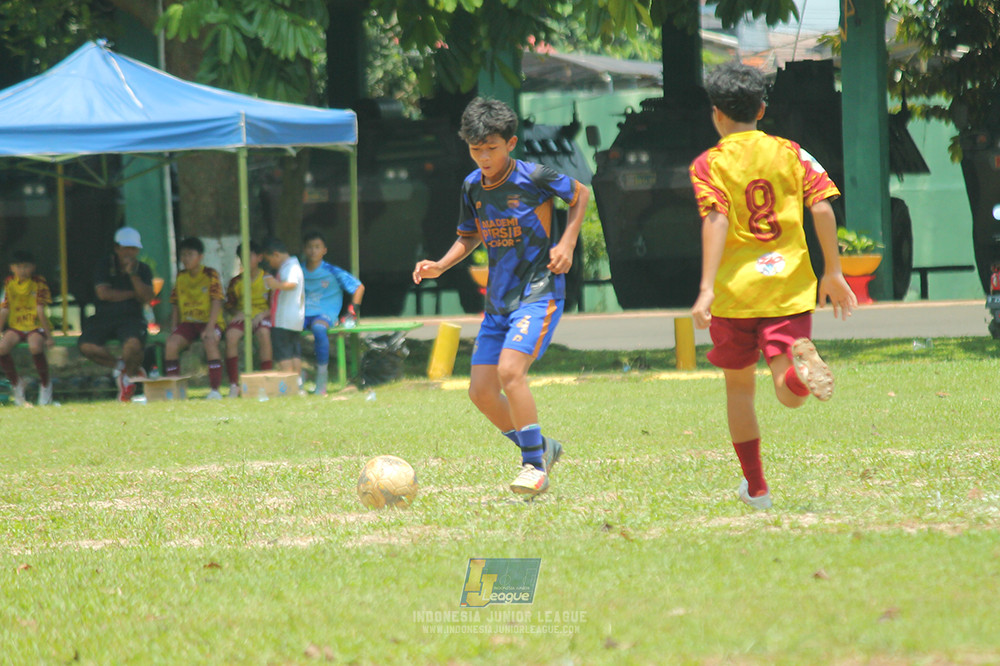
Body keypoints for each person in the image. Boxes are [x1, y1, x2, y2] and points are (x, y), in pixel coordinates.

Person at [688, 61, 857, 510]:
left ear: (716, 114)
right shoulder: (792, 153)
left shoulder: (708, 164)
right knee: (787, 391)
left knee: (739, 390)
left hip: (735, 294)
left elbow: (716, 219)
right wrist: (833, 271)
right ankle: (799, 376)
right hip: (788, 288)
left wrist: (706, 289)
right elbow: (822, 207)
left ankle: (757, 488)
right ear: (761, 109)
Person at [412, 97, 589, 497]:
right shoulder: (472, 186)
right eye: (476, 150)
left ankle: (534, 466)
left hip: (539, 292)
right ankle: (542, 447)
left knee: (511, 373)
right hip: (498, 302)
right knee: (481, 392)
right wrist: (441, 265)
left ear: (510, 143)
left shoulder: (534, 176)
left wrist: (567, 243)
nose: (484, 157)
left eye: (492, 148)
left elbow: (580, 193)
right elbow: (470, 234)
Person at [78, 226, 155, 402]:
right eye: (125, 248)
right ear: (116, 248)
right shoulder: (104, 265)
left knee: (133, 345)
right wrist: (133, 294)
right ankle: (123, 368)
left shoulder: (143, 269)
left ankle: (127, 380)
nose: (129, 252)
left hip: (132, 318)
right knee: (86, 346)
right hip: (104, 317)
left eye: (133, 248)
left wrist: (133, 276)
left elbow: (147, 297)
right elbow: (103, 294)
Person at [302, 230, 365, 396]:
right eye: (310, 247)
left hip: (323, 315)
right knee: (287, 331)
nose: (313, 251)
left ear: (324, 250)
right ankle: (296, 376)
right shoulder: (298, 270)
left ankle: (321, 379)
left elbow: (359, 287)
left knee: (319, 329)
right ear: (304, 250)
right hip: (302, 315)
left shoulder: (332, 271)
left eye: (317, 247)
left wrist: (352, 311)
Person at [164, 236, 225, 399]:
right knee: (171, 344)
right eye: (183, 255)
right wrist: (174, 327)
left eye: (190, 254)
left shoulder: (210, 274)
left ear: (200, 256)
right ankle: (174, 389)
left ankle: (215, 390)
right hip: (189, 323)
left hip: (210, 322)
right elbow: (175, 303)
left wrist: (210, 327)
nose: (186, 259)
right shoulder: (180, 277)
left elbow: (217, 300)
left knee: (210, 340)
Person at [0, 250, 55, 406]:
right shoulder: (9, 283)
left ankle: (45, 384)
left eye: (26, 266)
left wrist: (49, 336)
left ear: (33, 267)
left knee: (35, 347)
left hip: (35, 325)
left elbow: (40, 310)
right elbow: (4, 309)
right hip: (17, 325)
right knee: (2, 348)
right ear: (12, 268)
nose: (22, 270)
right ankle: (17, 383)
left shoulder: (39, 282)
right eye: (18, 267)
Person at [223, 241, 273, 397]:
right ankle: (234, 384)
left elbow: (276, 305)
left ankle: (266, 380)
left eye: (249, 256)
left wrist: (263, 314)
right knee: (231, 336)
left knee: (264, 333)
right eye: (242, 257)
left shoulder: (268, 279)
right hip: (243, 316)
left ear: (259, 257)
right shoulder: (236, 282)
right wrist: (237, 312)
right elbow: (229, 305)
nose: (246, 260)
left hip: (263, 316)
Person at [261, 236, 305, 383]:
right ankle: (297, 384)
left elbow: (292, 284)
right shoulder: (292, 265)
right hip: (293, 318)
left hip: (284, 319)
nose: (270, 264)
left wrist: (275, 284)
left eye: (269, 260)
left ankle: (290, 384)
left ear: (276, 255)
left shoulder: (290, 267)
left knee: (284, 353)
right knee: (294, 353)